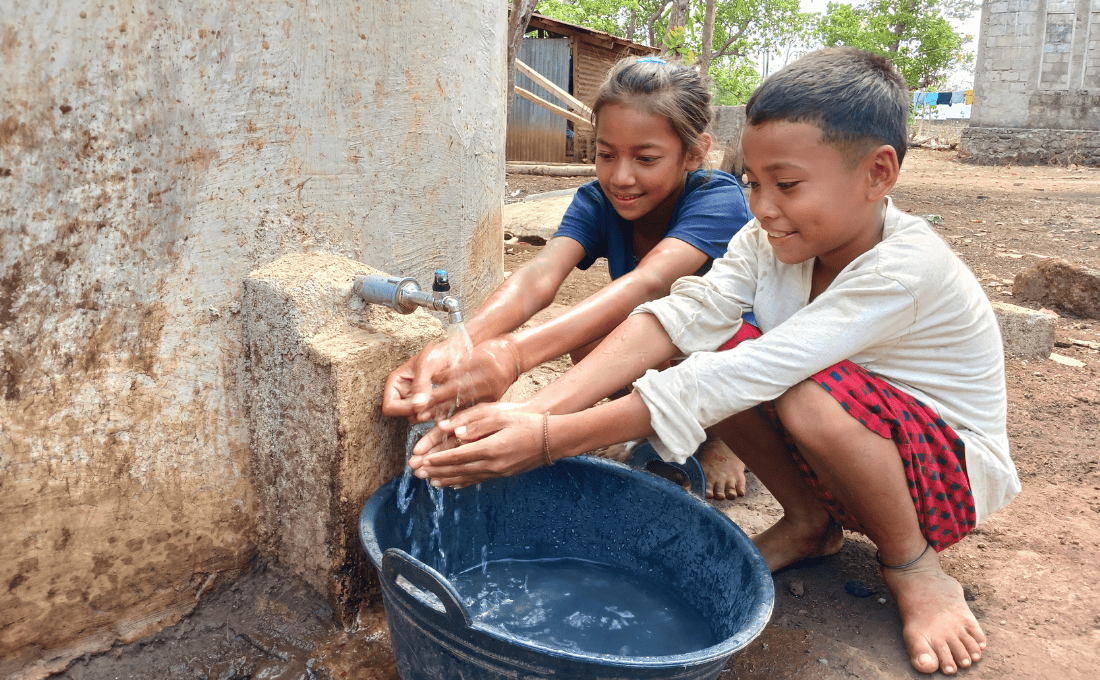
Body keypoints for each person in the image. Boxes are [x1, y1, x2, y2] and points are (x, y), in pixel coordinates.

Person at [407, 48, 1020, 677]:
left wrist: (549, 439)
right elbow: (682, 314)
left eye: (786, 184)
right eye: (752, 182)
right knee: (717, 342)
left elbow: (750, 372)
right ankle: (810, 522)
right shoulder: (765, 240)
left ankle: (913, 565)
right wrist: (531, 410)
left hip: (943, 473)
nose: (762, 206)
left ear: (878, 173)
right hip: (845, 447)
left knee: (797, 389)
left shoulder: (905, 267)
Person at [382, 55, 756, 500]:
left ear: (693, 154)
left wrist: (515, 357)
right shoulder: (597, 200)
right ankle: (638, 420)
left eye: (646, 158)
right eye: (605, 154)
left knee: (720, 342)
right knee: (590, 334)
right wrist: (462, 344)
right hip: (659, 346)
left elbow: (650, 282)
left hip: (725, 350)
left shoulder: (718, 200)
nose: (621, 177)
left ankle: (728, 439)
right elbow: (541, 274)